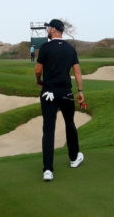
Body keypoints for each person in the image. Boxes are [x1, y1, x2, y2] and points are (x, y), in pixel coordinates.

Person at [35, 19, 85, 181]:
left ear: (54, 29)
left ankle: (48, 170)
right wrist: (80, 91)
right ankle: (73, 158)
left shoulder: (45, 47)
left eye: (48, 27)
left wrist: (38, 79)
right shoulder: (70, 49)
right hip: (66, 93)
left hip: (48, 92)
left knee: (48, 130)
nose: (47, 29)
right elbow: (77, 72)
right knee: (70, 123)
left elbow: (38, 70)